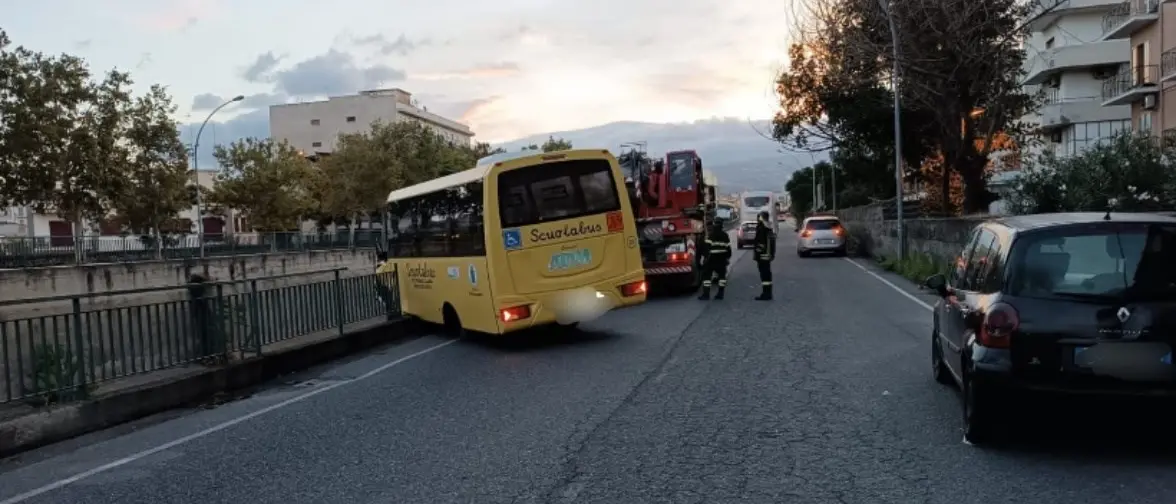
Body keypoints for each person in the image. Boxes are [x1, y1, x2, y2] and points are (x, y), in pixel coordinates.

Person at [697, 217, 732, 300]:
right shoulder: (725, 235)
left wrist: (703, 259)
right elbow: (728, 249)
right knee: (722, 277)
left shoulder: (711, 235)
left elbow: (707, 248)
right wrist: (727, 258)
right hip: (722, 260)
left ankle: (706, 295)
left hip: (711, 260)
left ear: (714, 224)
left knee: (707, 277)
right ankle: (720, 294)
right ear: (722, 225)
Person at [753, 210, 776, 301]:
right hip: (767, 256)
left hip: (762, 257)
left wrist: (757, 255)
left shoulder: (761, 228)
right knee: (767, 275)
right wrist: (772, 254)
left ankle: (766, 294)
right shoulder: (769, 228)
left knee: (764, 276)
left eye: (758, 217)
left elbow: (760, 244)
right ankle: (768, 293)